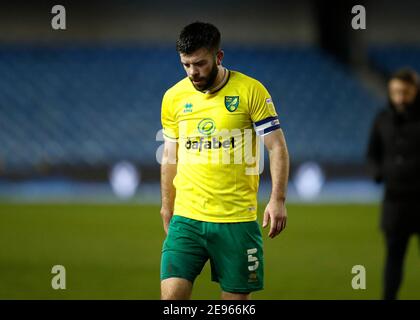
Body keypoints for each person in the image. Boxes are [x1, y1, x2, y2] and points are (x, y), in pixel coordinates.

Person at [159, 22, 289, 300]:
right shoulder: (173, 97)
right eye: (186, 64)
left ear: (218, 57)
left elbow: (276, 147)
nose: (193, 72)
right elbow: (170, 156)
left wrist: (278, 198)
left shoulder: (250, 91)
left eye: (200, 63)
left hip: (236, 221)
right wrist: (166, 206)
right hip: (187, 219)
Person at [367, 68, 420, 300]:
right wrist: (378, 173)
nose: (399, 97)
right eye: (395, 92)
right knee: (393, 258)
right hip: (394, 200)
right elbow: (371, 154)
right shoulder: (382, 119)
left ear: (415, 91)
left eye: (405, 92)